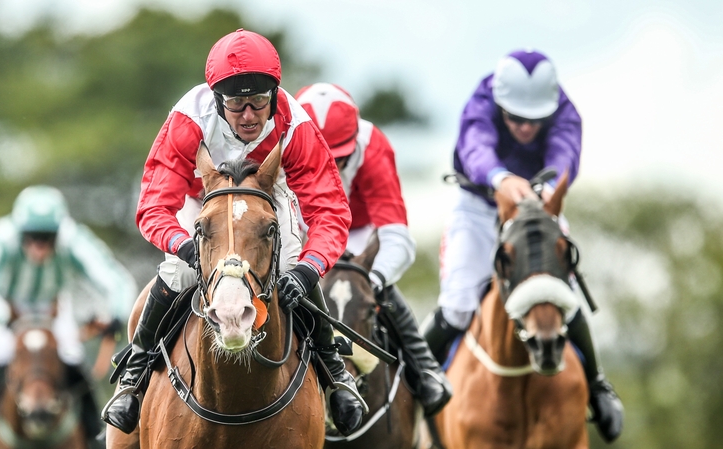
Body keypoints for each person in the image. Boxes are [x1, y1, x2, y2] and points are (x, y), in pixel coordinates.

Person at [101, 29, 365, 436]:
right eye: (236, 104)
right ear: (216, 99)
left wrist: (309, 270)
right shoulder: (189, 118)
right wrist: (186, 248)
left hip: (269, 194)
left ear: (275, 95)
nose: (248, 115)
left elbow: (329, 211)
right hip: (201, 194)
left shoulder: (296, 125)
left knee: (292, 261)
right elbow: (154, 206)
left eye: (259, 102)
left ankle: (334, 374)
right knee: (177, 271)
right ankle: (133, 378)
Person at [422, 49, 623, 442]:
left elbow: (566, 152)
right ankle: (418, 387)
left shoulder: (564, 109)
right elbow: (476, 147)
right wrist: (499, 178)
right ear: (500, 104)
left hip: (538, 207)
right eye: (515, 118)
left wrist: (543, 192)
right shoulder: (481, 102)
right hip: (480, 209)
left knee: (557, 293)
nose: (525, 127)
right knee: (459, 303)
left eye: (534, 120)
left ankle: (598, 385)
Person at [0, 185, 137, 448]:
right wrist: (3, 315)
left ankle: (95, 431)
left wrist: (116, 313)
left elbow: (113, 278)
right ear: (20, 231)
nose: (39, 246)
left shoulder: (73, 237)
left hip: (53, 311)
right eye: (32, 237)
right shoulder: (2, 235)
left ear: (58, 232)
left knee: (72, 358)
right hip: (9, 309)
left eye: (47, 237)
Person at [295, 82, 452, 416]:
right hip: (302, 231)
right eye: (323, 158)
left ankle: (424, 368)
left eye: (341, 158)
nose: (332, 169)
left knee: (372, 289)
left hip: (357, 233)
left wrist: (373, 280)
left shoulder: (372, 144)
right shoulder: (280, 141)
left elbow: (396, 235)